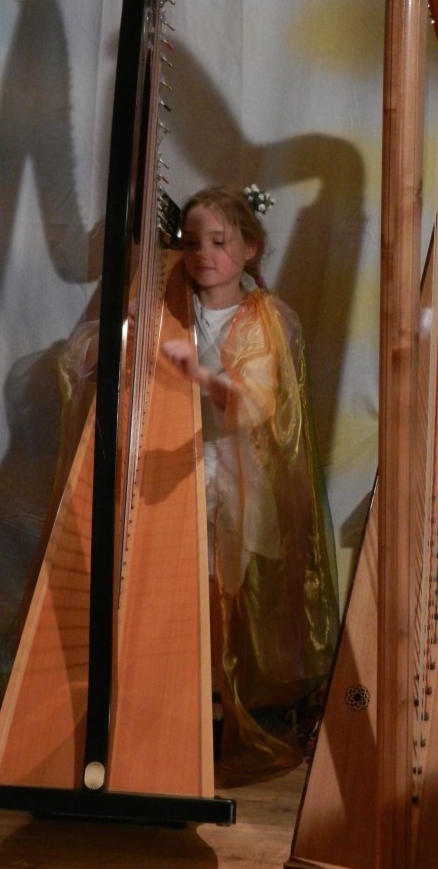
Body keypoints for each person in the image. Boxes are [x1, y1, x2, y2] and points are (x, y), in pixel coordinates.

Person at [161, 184, 339, 786]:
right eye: (191, 243)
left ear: (250, 248)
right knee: (179, 591)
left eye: (219, 242)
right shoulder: (168, 306)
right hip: (176, 472)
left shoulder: (266, 318)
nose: (203, 255)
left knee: (227, 598)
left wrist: (199, 374)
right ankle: (178, 708)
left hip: (238, 478)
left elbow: (254, 408)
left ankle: (226, 708)